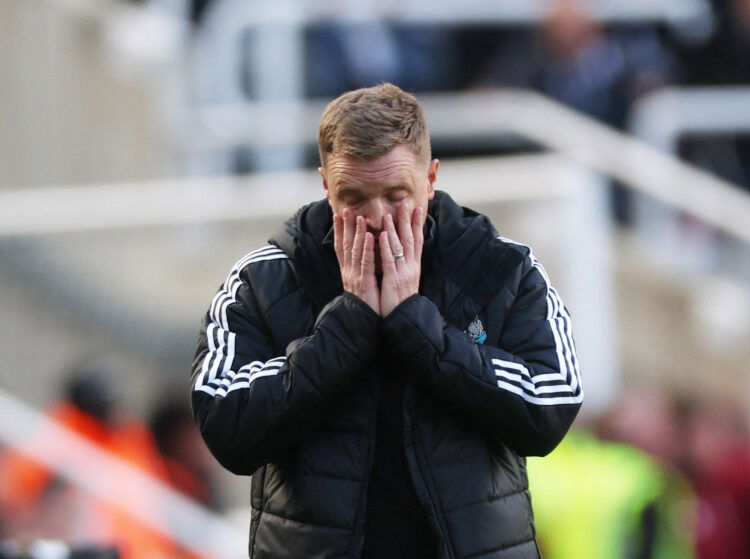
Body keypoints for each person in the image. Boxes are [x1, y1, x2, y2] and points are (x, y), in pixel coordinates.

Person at [190, 83, 583, 558]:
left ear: (431, 178)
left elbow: (549, 406)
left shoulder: (500, 269)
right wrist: (349, 323)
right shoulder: (265, 278)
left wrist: (416, 325)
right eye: (353, 198)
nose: (376, 218)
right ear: (324, 186)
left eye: (397, 195)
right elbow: (227, 426)